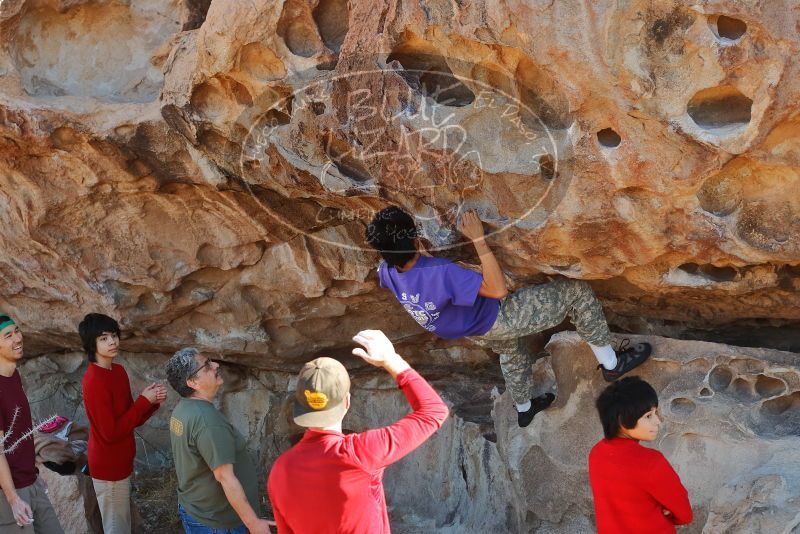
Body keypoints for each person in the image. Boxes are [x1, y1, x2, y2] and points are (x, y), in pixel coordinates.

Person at [365, 206, 652, 427]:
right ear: (414, 238)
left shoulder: (388, 272)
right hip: (497, 317)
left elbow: (390, 268)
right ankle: (611, 363)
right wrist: (478, 239)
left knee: (512, 351)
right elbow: (498, 290)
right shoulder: (439, 272)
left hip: (471, 329)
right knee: (577, 292)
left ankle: (525, 409)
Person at [267, 329, 449, 533]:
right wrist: (391, 360)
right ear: (347, 402)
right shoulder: (361, 453)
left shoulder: (279, 471)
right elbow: (433, 412)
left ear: (300, 407)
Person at [165, 348, 273, 534]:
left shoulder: (183, 409)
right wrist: (253, 523)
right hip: (218, 522)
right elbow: (225, 477)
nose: (215, 365)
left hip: (196, 511)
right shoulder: (208, 422)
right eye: (206, 366)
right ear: (192, 382)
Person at [79, 313, 166, 534]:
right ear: (92, 344)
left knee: (122, 525)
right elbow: (111, 433)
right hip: (108, 467)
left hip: (122, 463)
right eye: (103, 338)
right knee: (116, 528)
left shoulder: (118, 371)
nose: (112, 342)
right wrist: (144, 401)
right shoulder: (94, 380)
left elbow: (129, 419)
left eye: (114, 335)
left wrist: (152, 402)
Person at [589, 376, 692, 533]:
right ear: (622, 421)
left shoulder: (596, 453)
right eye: (648, 416)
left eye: (655, 413)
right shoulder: (651, 462)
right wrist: (666, 511)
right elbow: (685, 514)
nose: (657, 421)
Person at [0, 314, 64, 533]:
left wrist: (34, 472)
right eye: (8, 335)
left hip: (31, 481)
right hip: (10, 494)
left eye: (17, 331)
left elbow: (20, 434)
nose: (18, 338)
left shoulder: (14, 376)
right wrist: (13, 499)